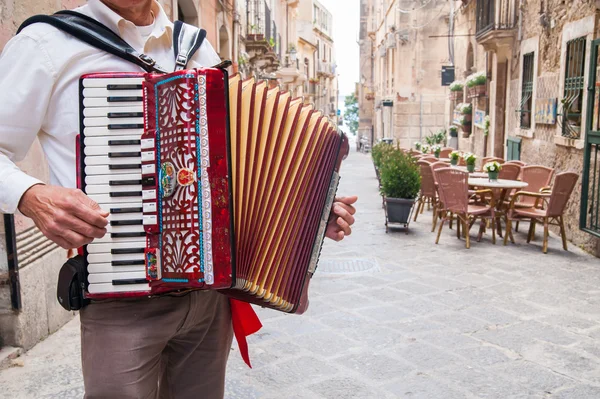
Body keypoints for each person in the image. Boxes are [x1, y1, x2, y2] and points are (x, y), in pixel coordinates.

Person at [0, 0, 357, 398]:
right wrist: (31, 195)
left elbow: (235, 167)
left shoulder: (196, 48)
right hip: (119, 296)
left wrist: (309, 211)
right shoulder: (46, 44)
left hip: (209, 302)